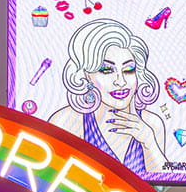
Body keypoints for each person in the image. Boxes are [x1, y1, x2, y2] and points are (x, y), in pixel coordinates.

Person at [48, 19, 167, 174]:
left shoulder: (152, 123)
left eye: (129, 69)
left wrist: (148, 142)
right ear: (85, 74)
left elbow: (164, 187)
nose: (120, 81)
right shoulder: (66, 121)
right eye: (106, 70)